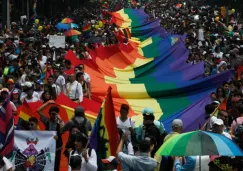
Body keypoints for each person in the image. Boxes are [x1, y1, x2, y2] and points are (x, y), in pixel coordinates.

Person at [38, 102, 64, 171]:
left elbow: (63, 131)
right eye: (51, 113)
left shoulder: (60, 122)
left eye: (54, 114)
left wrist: (60, 120)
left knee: (56, 163)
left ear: (57, 114)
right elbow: (39, 110)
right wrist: (48, 103)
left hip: (57, 146)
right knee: (47, 161)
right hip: (47, 146)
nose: (52, 115)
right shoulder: (46, 120)